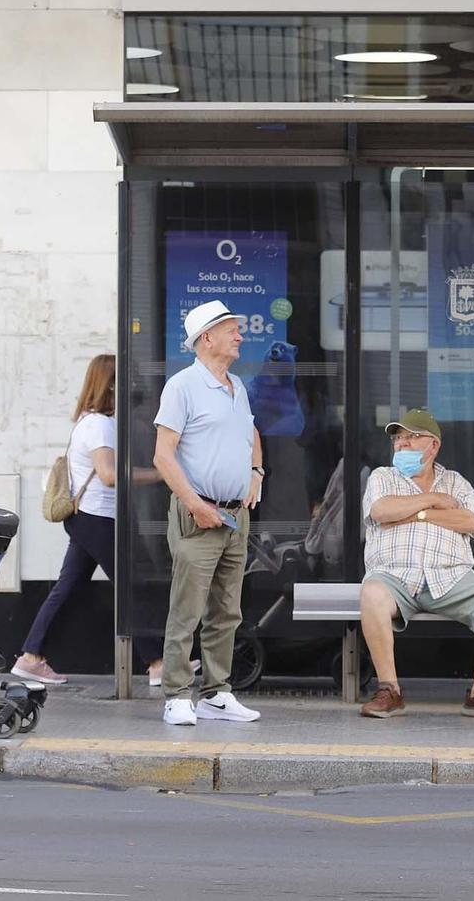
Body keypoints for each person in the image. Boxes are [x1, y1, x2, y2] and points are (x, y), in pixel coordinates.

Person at [358, 410, 474, 721]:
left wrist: (416, 515)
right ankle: (389, 690)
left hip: (451, 578)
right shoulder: (383, 477)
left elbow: (470, 521)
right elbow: (381, 511)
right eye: (398, 439)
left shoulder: (456, 483)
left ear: (433, 446)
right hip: (394, 576)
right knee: (372, 593)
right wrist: (433, 499)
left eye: (411, 437)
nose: (402, 444)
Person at [13, 354, 165, 685]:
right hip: (98, 519)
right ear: (110, 385)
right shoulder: (99, 425)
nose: (133, 386)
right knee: (132, 586)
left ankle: (30, 657)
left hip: (89, 518)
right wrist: (159, 475)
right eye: (126, 379)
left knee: (69, 588)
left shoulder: (93, 421)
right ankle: (157, 663)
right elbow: (109, 476)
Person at [152, 300, 264, 726]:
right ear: (206, 338)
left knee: (226, 611)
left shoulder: (237, 386)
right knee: (187, 609)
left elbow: (250, 431)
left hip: (236, 517)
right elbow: (163, 456)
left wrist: (256, 472)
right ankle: (177, 695)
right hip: (199, 514)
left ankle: (216, 694)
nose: (240, 336)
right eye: (232, 329)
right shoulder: (182, 386)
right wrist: (195, 505)